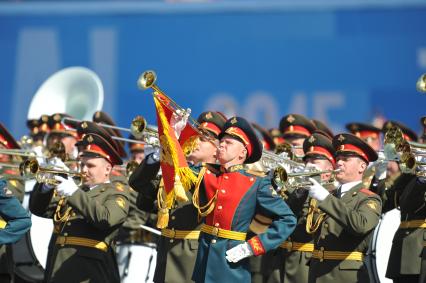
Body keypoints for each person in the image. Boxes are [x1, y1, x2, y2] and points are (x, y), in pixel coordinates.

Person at [191, 116, 296, 283]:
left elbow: (288, 220)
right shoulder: (208, 174)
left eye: (229, 142)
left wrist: (252, 247)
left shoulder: (256, 183)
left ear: (243, 152)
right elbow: (179, 167)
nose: (222, 144)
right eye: (222, 141)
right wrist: (175, 133)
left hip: (231, 268)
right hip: (204, 264)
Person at [129, 111, 226, 283]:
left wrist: (173, 147)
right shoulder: (176, 173)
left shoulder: (217, 177)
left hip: (192, 261)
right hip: (165, 257)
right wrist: (160, 154)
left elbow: (200, 184)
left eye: (203, 139)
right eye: (196, 136)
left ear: (217, 149)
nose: (196, 141)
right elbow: (140, 191)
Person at [29, 132, 130, 283]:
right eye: (82, 164)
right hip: (57, 269)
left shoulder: (115, 194)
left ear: (107, 169)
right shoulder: (75, 190)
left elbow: (106, 219)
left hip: (89, 273)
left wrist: (73, 192)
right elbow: (39, 209)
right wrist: (46, 186)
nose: (83, 170)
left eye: (90, 166)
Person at [306, 133, 382, 283]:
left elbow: (360, 225)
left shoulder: (369, 198)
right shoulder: (329, 195)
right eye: (338, 158)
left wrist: (326, 199)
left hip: (346, 276)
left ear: (362, 166)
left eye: (346, 159)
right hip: (317, 273)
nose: (339, 163)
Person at [276, 132, 337, 283]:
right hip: (280, 261)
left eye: (315, 160)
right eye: (307, 160)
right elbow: (280, 216)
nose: (309, 164)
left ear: (329, 169)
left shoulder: (334, 194)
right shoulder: (297, 189)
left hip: (307, 262)